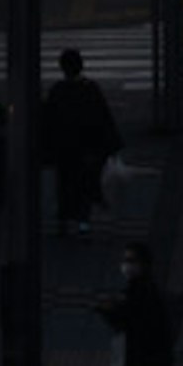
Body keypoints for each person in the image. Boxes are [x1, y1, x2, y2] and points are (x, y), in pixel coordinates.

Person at [44, 47, 122, 235]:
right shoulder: (90, 89)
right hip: (87, 148)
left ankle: (63, 220)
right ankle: (83, 222)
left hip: (63, 148)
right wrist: (110, 145)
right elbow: (103, 118)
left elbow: (47, 119)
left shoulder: (57, 90)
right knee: (84, 183)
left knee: (64, 183)